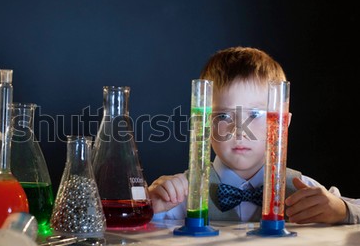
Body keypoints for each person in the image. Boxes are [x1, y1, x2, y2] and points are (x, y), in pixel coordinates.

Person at [148, 46, 360, 224]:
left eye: (255, 114)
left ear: (282, 123)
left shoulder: (301, 188)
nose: (239, 130)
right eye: (223, 115)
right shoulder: (184, 193)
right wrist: (151, 208)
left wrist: (342, 211)